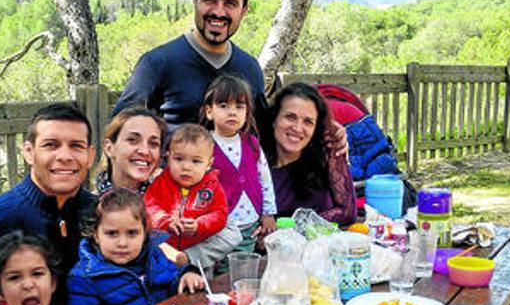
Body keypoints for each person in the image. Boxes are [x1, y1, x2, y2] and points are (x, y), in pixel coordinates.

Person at [111, 0, 349, 157]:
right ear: (195, 2)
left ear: (244, 11)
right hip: (174, 199)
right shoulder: (157, 63)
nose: (218, 11)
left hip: (238, 202)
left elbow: (267, 132)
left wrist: (324, 132)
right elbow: (120, 127)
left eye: (230, 4)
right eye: (210, 0)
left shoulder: (249, 68)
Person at [0, 103, 97, 305]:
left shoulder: (102, 215)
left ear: (90, 156)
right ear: (29, 152)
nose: (65, 156)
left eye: (76, 146)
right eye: (51, 145)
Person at [64, 189, 204, 305]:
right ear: (96, 235)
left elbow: (173, 278)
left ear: (144, 233)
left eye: (132, 233)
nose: (122, 243)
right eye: (112, 233)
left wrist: (187, 274)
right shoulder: (85, 277)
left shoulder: (153, 256)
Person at [259, 82, 357, 226]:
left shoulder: (328, 151)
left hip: (321, 244)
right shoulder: (254, 160)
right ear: (274, 119)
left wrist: (294, 226)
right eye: (290, 117)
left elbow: (347, 212)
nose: (298, 128)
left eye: (308, 122)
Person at [144, 124, 241, 268]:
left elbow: (219, 214)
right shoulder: (162, 182)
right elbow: (149, 206)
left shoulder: (211, 186)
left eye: (196, 161)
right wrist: (166, 221)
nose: (186, 167)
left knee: (200, 283)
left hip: (198, 253)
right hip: (166, 251)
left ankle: (192, 264)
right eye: (179, 159)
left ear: (209, 164)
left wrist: (200, 224)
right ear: (168, 157)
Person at [200, 74, 276, 253]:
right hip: (217, 228)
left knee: (242, 269)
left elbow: (265, 179)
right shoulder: (202, 144)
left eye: (239, 106)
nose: (232, 112)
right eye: (224, 106)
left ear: (247, 112)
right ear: (209, 111)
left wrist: (268, 213)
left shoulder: (252, 143)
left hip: (249, 225)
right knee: (217, 270)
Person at [94, 106, 167, 195]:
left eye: (153, 143)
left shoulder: (174, 205)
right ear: (109, 148)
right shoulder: (85, 206)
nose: (144, 151)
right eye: (132, 140)